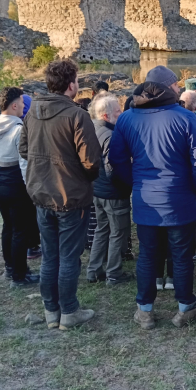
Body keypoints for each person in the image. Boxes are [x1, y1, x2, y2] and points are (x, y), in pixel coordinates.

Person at [110, 65, 196, 330]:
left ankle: (145, 311)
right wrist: (195, 190)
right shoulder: (185, 117)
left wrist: (134, 183)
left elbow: (117, 159)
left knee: (147, 255)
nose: (179, 88)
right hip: (180, 198)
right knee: (181, 255)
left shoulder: (126, 118)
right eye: (176, 84)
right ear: (167, 87)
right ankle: (185, 306)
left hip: (145, 198)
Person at [20, 58, 101, 330]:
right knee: (68, 258)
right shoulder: (77, 115)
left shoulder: (31, 113)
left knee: (50, 256)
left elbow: (23, 150)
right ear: (70, 85)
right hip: (70, 197)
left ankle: (51, 311)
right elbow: (91, 161)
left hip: (41, 194)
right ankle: (69, 312)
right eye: (77, 80)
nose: (78, 85)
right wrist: (81, 177)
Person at [0, 86, 41, 287]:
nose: (24, 108)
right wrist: (31, 188)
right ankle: (19, 275)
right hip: (15, 184)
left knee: (8, 226)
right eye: (23, 105)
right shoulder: (19, 130)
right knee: (20, 230)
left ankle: (10, 267)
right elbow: (24, 163)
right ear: (14, 105)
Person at [86, 94, 132, 287]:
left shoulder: (90, 130)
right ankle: (114, 273)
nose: (121, 114)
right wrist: (126, 184)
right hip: (112, 193)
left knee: (101, 229)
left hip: (97, 190)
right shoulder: (110, 136)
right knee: (117, 232)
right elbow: (112, 168)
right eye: (118, 111)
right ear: (106, 116)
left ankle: (93, 270)